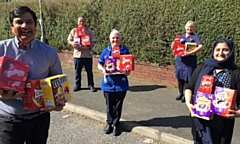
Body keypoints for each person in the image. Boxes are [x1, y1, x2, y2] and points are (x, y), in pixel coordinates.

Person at [0, 6, 64, 144]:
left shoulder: (49, 52)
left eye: (29, 22)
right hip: (8, 121)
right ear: (12, 26)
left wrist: (58, 102)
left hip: (39, 120)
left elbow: (58, 84)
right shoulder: (1, 50)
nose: (24, 26)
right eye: (19, 22)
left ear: (35, 25)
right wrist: (1, 94)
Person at [185, 38, 240, 144]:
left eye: (225, 50)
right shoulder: (202, 67)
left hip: (221, 125)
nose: (220, 53)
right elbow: (189, 87)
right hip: (200, 122)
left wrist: (238, 113)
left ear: (231, 51)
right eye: (217, 49)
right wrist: (188, 103)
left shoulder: (235, 73)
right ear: (213, 51)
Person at [97, 29, 131, 136]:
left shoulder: (125, 51)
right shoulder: (105, 51)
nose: (115, 40)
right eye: (113, 38)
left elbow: (128, 70)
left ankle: (116, 124)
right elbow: (99, 64)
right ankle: (109, 123)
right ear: (110, 39)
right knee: (109, 106)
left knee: (118, 106)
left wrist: (126, 71)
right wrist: (103, 70)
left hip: (121, 84)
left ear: (120, 39)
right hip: (108, 84)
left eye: (117, 37)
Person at [171, 20, 203, 103]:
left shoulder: (195, 37)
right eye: (188, 27)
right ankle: (180, 93)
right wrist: (173, 46)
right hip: (180, 61)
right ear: (185, 27)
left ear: (193, 28)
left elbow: (200, 47)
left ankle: (186, 95)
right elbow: (175, 46)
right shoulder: (180, 36)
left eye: (191, 27)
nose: (189, 28)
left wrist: (189, 53)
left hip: (189, 62)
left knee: (187, 79)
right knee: (180, 78)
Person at [67, 16, 97, 92]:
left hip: (87, 55)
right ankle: (77, 85)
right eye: (80, 21)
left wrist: (90, 45)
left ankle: (91, 85)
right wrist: (72, 43)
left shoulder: (89, 31)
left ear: (85, 22)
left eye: (83, 21)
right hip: (77, 55)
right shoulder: (73, 31)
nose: (81, 23)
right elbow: (69, 40)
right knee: (77, 71)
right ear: (77, 22)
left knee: (89, 71)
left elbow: (93, 41)